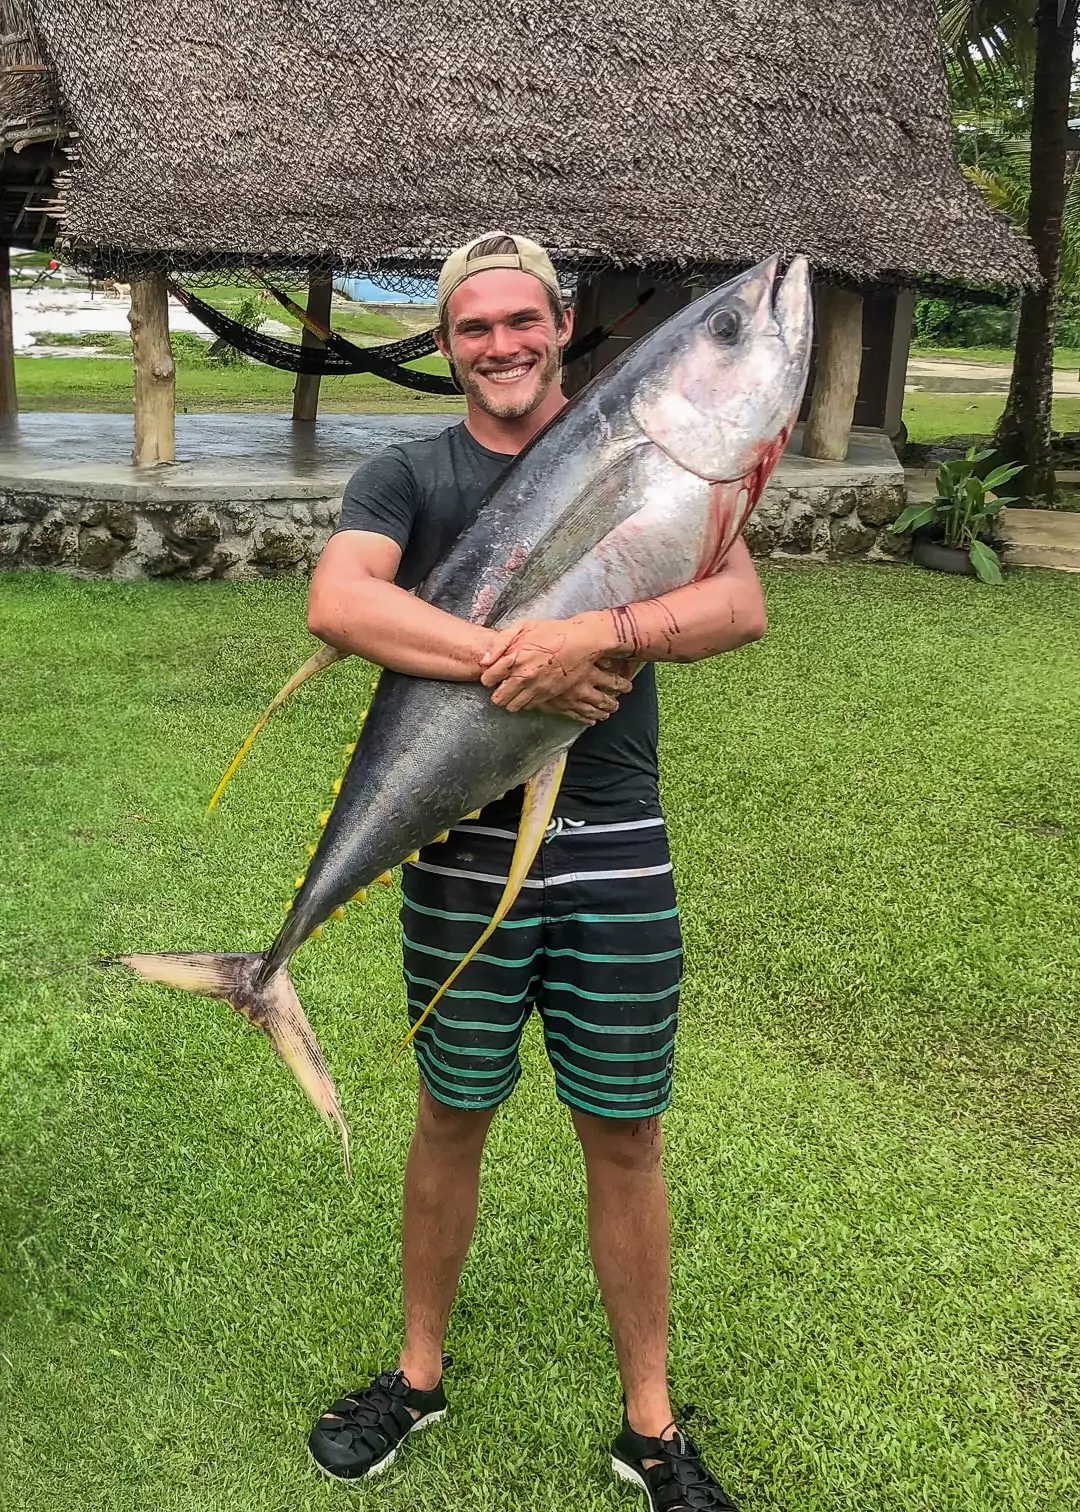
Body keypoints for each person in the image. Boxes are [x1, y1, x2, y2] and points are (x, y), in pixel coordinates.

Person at [304, 232, 766, 1510]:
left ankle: (652, 1428)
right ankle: (415, 1374)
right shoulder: (411, 472)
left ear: (561, 323)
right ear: (446, 343)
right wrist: (522, 659)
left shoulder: (646, 444)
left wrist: (599, 634)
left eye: (521, 320)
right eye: (473, 328)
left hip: (614, 841)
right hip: (458, 849)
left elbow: (737, 605)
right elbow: (341, 604)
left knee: (624, 1132)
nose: (501, 345)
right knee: (452, 1114)